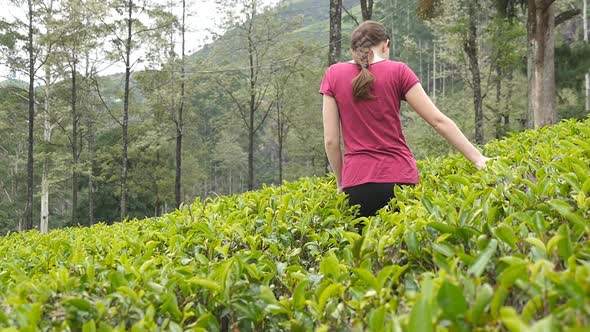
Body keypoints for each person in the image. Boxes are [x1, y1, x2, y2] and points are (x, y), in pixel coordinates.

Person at [319, 20, 489, 220]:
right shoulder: (398, 71)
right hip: (399, 179)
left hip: (356, 183)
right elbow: (438, 121)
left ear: (354, 48)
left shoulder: (333, 74)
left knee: (366, 250)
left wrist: (341, 182)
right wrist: (478, 158)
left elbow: (331, 141)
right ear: (385, 45)